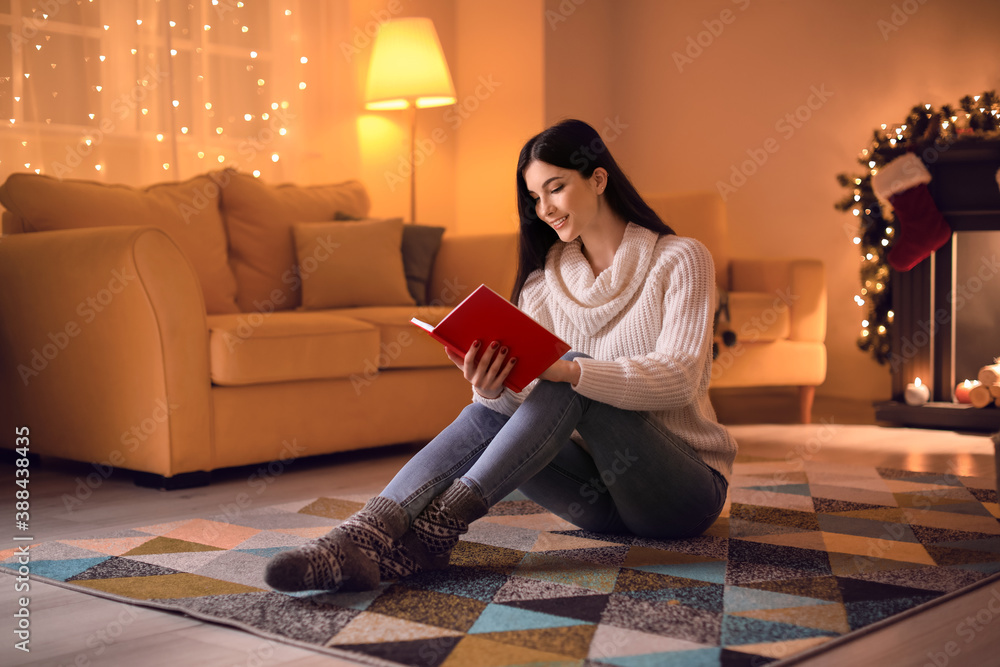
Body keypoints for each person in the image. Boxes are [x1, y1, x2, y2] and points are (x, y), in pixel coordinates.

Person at [264, 118, 737, 593]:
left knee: (572, 371)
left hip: (680, 494)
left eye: (556, 188)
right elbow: (529, 408)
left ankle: (439, 527)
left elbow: (678, 377)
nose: (545, 208)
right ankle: (366, 531)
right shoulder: (541, 283)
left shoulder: (680, 259)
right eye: (535, 197)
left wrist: (569, 370)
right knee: (492, 410)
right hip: (598, 503)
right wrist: (493, 388)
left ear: (597, 179)